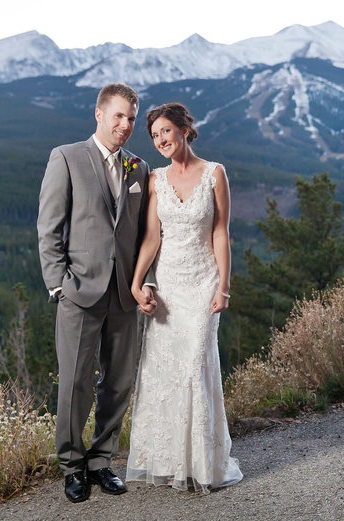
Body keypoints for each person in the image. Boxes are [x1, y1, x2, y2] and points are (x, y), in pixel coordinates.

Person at [37, 83, 157, 503]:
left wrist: (145, 282)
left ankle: (101, 461)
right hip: (79, 293)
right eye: (118, 116)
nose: (125, 125)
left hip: (125, 295)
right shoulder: (66, 157)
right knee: (75, 384)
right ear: (99, 114)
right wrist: (58, 286)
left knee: (119, 382)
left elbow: (147, 235)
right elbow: (49, 228)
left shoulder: (139, 169)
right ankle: (71, 466)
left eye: (130, 118)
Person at [126, 102, 243, 493]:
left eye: (166, 132)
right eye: (155, 135)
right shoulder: (156, 179)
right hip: (169, 285)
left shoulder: (215, 174)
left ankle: (201, 462)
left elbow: (221, 232)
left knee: (195, 364)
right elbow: (151, 238)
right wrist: (137, 282)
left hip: (203, 284)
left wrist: (224, 286)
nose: (161, 140)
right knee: (166, 371)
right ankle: (172, 460)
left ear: (184, 131)